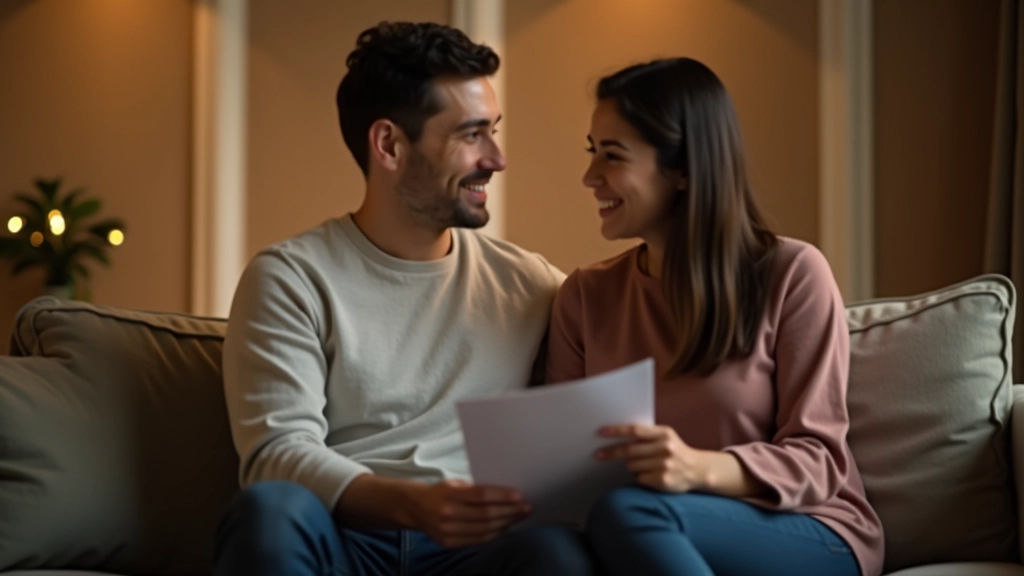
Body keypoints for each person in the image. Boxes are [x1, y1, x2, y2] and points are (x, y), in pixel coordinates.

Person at [214, 22, 593, 576]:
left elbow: (639, 328)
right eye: (471, 135)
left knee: (557, 553)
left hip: (478, 553)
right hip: (345, 542)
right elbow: (277, 454)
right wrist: (414, 504)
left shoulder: (530, 284)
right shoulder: (291, 278)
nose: (497, 158)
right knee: (271, 513)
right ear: (389, 144)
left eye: (494, 131)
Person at [545, 57, 884, 576]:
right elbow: (566, 472)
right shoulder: (585, 295)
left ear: (682, 170)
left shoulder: (792, 273)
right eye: (592, 153)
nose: (590, 176)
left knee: (632, 512)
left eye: (612, 156)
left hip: (805, 526)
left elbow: (820, 459)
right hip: (642, 525)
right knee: (548, 550)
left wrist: (696, 468)